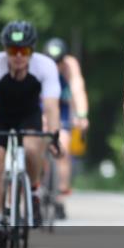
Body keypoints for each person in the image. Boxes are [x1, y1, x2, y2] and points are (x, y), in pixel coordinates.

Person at [0, 21, 62, 248]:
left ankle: (33, 191)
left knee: (34, 149)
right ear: (5, 50)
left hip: (28, 115)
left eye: (23, 51)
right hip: (0, 116)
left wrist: (54, 137)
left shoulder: (45, 66)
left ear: (32, 51)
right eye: (12, 51)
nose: (17, 56)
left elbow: (51, 107)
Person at [44, 37, 90, 219]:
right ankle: (36, 187)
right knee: (37, 141)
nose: (56, 66)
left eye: (59, 62)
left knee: (63, 145)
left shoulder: (70, 65)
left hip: (62, 108)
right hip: (42, 105)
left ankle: (61, 195)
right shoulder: (39, 65)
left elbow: (78, 89)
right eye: (52, 62)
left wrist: (82, 115)